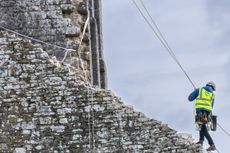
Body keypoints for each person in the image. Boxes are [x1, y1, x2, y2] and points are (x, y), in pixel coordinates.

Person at [188, 81, 216, 151]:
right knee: (202, 126)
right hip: (208, 113)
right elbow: (211, 106)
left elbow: (190, 98)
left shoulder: (199, 90)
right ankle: (201, 141)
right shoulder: (212, 94)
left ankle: (212, 144)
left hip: (200, 112)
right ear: (213, 88)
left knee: (203, 128)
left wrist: (195, 92)